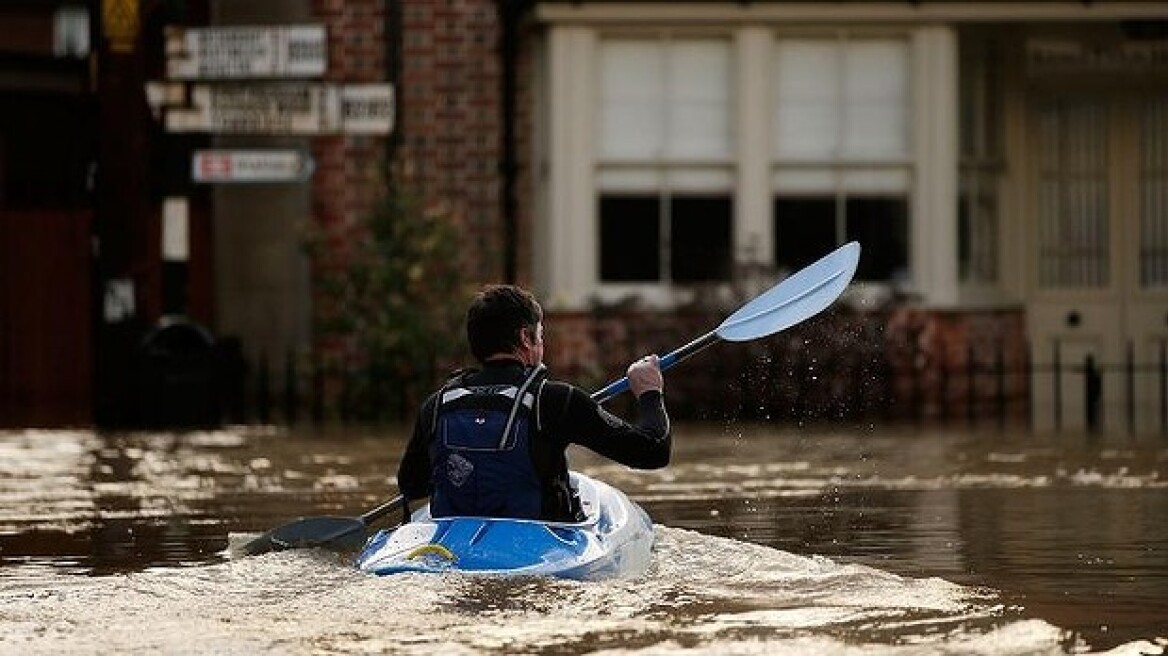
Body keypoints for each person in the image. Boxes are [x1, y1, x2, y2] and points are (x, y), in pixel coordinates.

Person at [396, 284, 671, 522]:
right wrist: (649, 392)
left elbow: (412, 485)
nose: (542, 345)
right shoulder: (555, 401)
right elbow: (652, 451)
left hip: (456, 549)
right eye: (540, 335)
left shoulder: (436, 405)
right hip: (538, 550)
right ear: (525, 338)